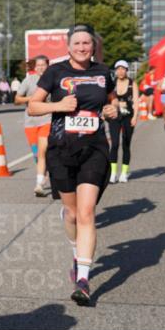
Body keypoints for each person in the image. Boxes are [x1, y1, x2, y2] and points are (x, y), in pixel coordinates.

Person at [26, 24, 119, 306]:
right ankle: (75, 251)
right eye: (77, 43)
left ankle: (83, 278)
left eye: (87, 43)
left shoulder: (104, 73)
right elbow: (33, 106)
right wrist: (58, 106)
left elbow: (113, 104)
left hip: (94, 149)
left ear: (93, 47)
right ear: (68, 47)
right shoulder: (55, 72)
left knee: (87, 212)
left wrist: (114, 110)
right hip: (61, 150)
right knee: (72, 213)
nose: (82, 48)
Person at [14, 55, 52, 197]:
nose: (41, 67)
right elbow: (17, 100)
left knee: (42, 151)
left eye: (43, 64)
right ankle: (44, 173)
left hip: (47, 119)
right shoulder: (28, 80)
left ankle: (39, 184)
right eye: (38, 65)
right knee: (37, 154)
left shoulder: (52, 80)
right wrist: (33, 98)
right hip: (30, 122)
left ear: (48, 66)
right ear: (34, 67)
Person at [108, 60, 138, 182]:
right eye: (118, 69)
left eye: (123, 69)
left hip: (128, 117)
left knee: (126, 144)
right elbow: (106, 99)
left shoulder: (132, 84)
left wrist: (135, 117)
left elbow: (136, 101)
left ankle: (124, 173)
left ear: (126, 70)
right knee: (114, 144)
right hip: (114, 117)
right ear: (115, 70)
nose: (120, 71)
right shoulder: (112, 83)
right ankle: (113, 173)